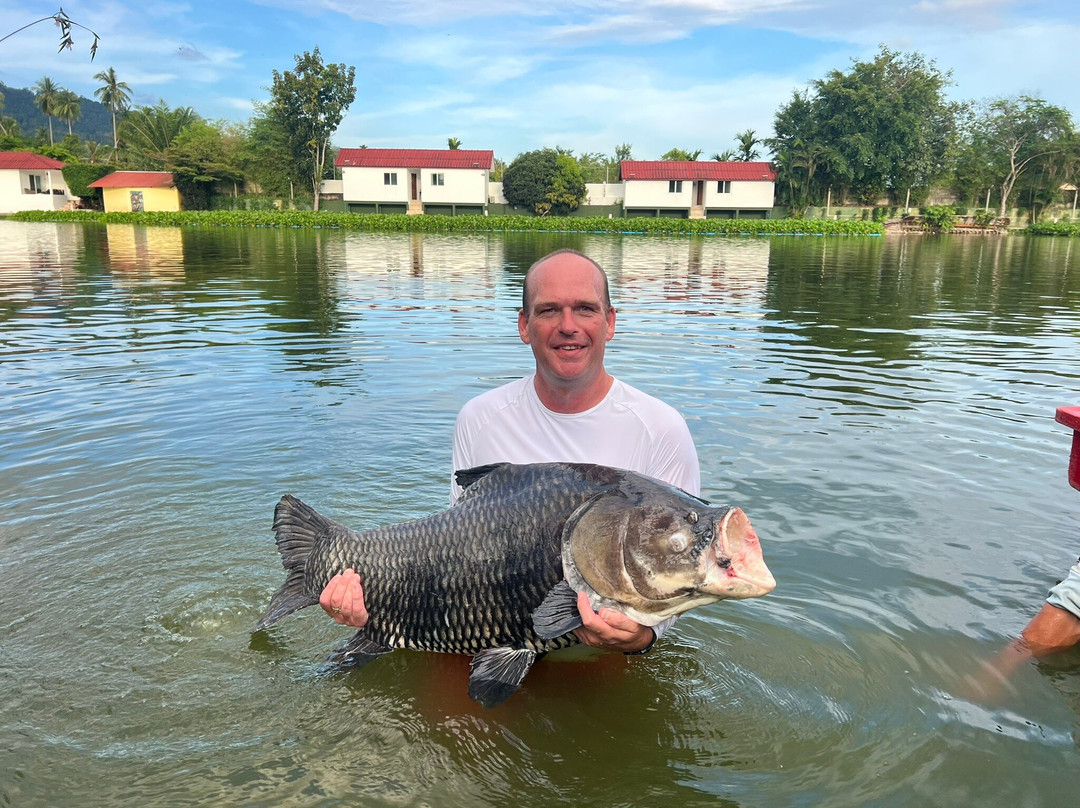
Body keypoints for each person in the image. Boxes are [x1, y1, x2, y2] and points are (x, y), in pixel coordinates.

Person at [320, 248, 701, 654]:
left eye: (585, 309)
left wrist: (643, 637)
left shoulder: (661, 429)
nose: (568, 326)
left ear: (609, 323)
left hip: (604, 652)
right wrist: (373, 605)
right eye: (549, 310)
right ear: (525, 325)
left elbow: (683, 567)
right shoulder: (479, 418)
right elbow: (454, 554)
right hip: (486, 630)